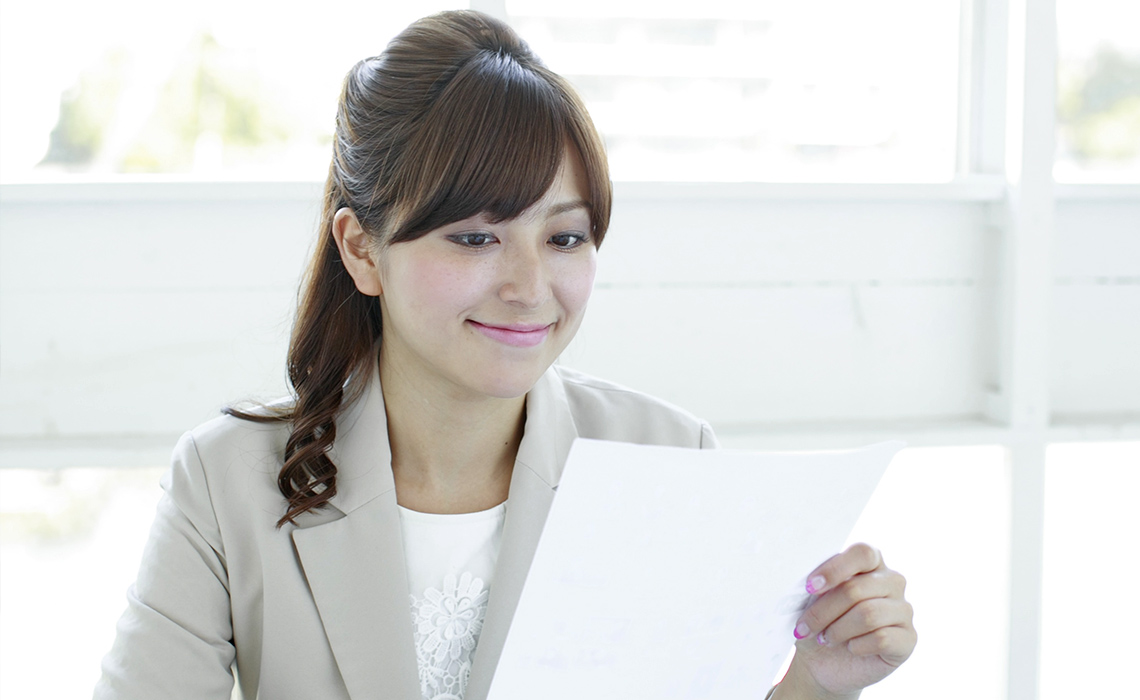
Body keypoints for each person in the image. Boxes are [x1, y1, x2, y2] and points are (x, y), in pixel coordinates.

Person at [94, 10, 916, 700]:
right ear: (362, 250)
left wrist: (812, 681)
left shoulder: (667, 458)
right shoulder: (226, 482)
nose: (530, 287)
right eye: (477, 236)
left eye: (564, 236)